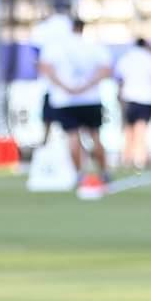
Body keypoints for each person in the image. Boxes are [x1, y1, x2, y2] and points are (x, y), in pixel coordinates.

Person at [37, 17, 112, 188]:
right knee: (95, 135)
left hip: (65, 100)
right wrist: (86, 87)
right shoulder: (93, 46)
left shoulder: (54, 47)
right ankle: (104, 172)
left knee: (72, 137)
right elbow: (105, 70)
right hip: (90, 98)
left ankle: (79, 174)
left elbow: (46, 70)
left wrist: (66, 88)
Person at [29, 0, 73, 145]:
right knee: (72, 126)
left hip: (51, 81)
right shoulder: (69, 26)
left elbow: (36, 56)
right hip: (69, 83)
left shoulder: (42, 29)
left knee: (49, 119)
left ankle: (44, 146)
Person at [114, 38, 151, 171]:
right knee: (141, 130)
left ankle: (127, 159)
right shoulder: (150, 58)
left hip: (129, 97)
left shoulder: (126, 58)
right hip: (145, 98)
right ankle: (140, 159)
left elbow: (119, 78)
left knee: (128, 131)